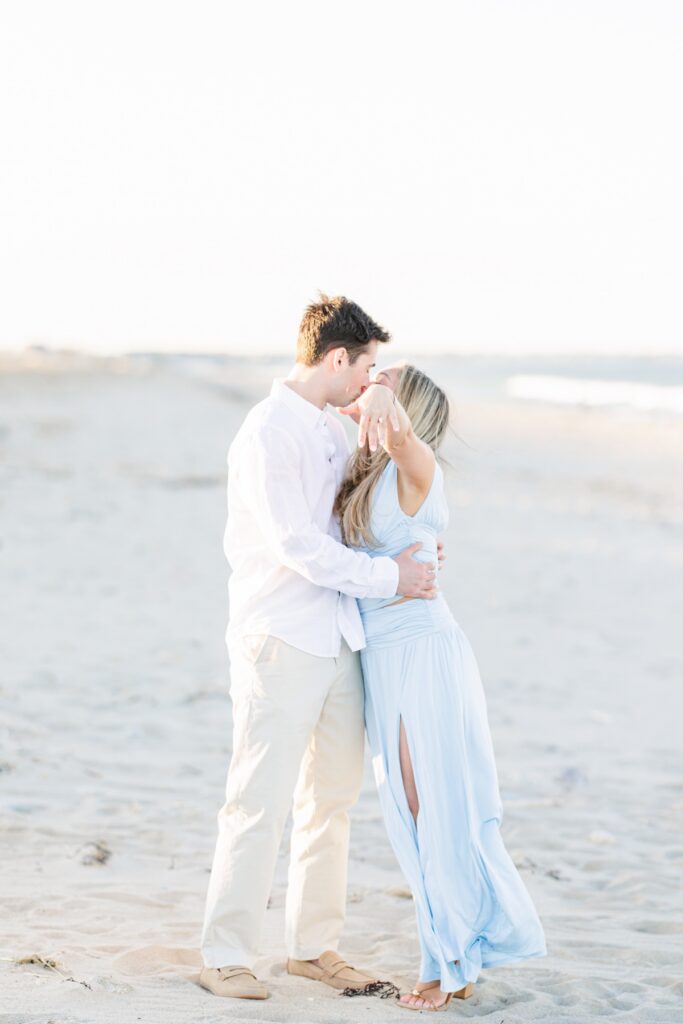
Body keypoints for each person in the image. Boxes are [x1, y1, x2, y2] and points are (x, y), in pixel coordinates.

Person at [199, 297, 440, 1000]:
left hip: (338, 635)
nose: (367, 379)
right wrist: (389, 577)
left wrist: (411, 551)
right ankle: (225, 954)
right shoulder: (268, 431)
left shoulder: (334, 425)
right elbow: (297, 546)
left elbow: (356, 514)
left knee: (329, 801)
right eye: (363, 366)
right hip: (279, 635)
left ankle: (312, 947)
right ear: (337, 359)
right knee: (258, 800)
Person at [335, 362, 548, 1011]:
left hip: (422, 650)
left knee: (433, 809)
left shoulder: (416, 464)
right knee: (409, 810)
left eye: (383, 376)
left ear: (401, 404)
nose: (369, 378)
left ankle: (448, 965)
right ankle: (454, 952)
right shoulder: (368, 473)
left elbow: (399, 437)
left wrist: (376, 394)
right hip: (385, 658)